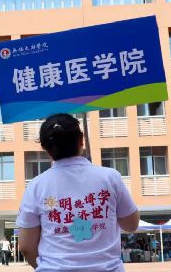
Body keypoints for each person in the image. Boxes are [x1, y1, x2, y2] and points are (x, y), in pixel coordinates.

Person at [17, 113, 139, 271]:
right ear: (81, 140)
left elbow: (26, 246)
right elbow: (131, 224)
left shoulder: (36, 186)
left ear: (45, 149)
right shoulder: (110, 177)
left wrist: (44, 266)